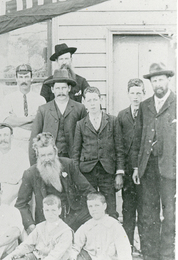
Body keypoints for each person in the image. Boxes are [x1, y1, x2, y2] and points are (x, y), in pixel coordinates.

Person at [130, 62, 176, 260]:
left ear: (168, 80)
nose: (158, 84)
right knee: (148, 211)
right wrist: (136, 167)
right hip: (147, 167)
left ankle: (167, 255)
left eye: (161, 79)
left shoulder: (176, 103)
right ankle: (150, 255)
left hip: (170, 168)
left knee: (170, 212)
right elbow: (138, 138)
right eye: (154, 80)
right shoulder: (145, 106)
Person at [16, 132, 95, 233]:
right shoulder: (30, 173)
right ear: (37, 156)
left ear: (56, 152)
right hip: (48, 220)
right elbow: (21, 204)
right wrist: (31, 226)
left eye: (50, 154)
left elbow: (88, 191)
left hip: (75, 217)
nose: (47, 159)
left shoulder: (68, 164)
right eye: (43, 155)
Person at [71, 87, 125, 218]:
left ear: (101, 100)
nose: (93, 103)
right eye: (89, 100)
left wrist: (119, 173)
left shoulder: (112, 121)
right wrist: (76, 175)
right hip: (87, 172)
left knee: (110, 207)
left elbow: (119, 148)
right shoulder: (80, 124)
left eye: (95, 99)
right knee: (88, 207)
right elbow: (76, 152)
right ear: (84, 102)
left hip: (107, 171)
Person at [65, 193, 132, 260]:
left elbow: (124, 250)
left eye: (97, 205)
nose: (94, 209)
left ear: (104, 206)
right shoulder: (87, 225)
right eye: (90, 206)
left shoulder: (114, 225)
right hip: (89, 257)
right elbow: (75, 245)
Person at [29, 69, 87, 164]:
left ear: (69, 88)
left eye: (64, 88)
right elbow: (34, 139)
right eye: (58, 88)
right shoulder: (43, 110)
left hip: (73, 160)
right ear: (52, 90)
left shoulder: (79, 108)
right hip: (49, 159)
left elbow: (86, 137)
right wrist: (34, 165)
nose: (61, 92)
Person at [117, 78, 145, 249]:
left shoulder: (148, 113)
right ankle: (127, 247)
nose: (135, 97)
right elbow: (119, 145)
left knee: (144, 209)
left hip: (144, 170)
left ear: (144, 94)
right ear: (128, 94)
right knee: (128, 210)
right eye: (132, 93)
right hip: (127, 171)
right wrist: (120, 170)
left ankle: (145, 248)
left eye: (139, 93)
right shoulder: (122, 115)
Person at [0, 64, 45, 153]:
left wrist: (16, 121)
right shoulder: (8, 98)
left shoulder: (40, 99)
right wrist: (30, 118)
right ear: (16, 79)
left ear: (32, 78)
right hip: (15, 142)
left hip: (34, 143)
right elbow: (6, 122)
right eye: (20, 77)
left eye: (26, 77)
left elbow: (40, 124)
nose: (24, 80)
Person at [0, 123, 30, 206]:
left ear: (12, 137)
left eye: (6, 135)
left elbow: (23, 182)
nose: (3, 139)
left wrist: (8, 199)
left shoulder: (21, 154)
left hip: (16, 193)